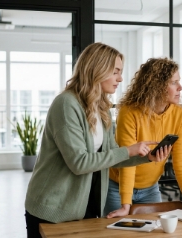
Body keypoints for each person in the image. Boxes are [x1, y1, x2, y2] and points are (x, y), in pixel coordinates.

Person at [24, 43, 168, 238]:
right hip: (53, 209)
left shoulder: (101, 109)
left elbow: (111, 156)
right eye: (115, 71)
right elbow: (79, 163)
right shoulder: (66, 104)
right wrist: (129, 150)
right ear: (97, 69)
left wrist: (146, 157)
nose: (120, 78)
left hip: (84, 206)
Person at [104, 57, 182, 218]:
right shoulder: (129, 112)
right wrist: (125, 204)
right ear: (156, 86)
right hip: (117, 188)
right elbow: (127, 160)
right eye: (174, 82)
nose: (180, 87)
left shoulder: (178, 114)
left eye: (179, 81)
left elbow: (181, 159)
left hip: (150, 188)